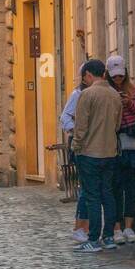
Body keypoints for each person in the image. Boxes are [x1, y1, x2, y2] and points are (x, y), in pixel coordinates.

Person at [70, 58, 123, 253]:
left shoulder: (87, 94)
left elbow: (81, 126)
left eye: (84, 77)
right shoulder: (115, 95)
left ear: (89, 75)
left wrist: (76, 146)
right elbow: (117, 124)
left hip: (89, 152)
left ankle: (93, 238)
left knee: (92, 196)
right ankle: (108, 237)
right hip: (110, 152)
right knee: (108, 194)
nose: (84, 80)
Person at [106, 54, 135, 243]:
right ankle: (116, 227)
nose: (118, 79)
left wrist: (129, 104)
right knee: (115, 186)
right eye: (114, 76)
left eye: (120, 75)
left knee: (131, 187)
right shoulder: (106, 93)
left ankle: (129, 226)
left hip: (132, 143)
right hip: (113, 144)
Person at [61, 77, 89, 242]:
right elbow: (65, 118)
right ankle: (81, 228)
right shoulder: (77, 94)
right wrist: (79, 131)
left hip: (99, 146)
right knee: (86, 187)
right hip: (83, 146)